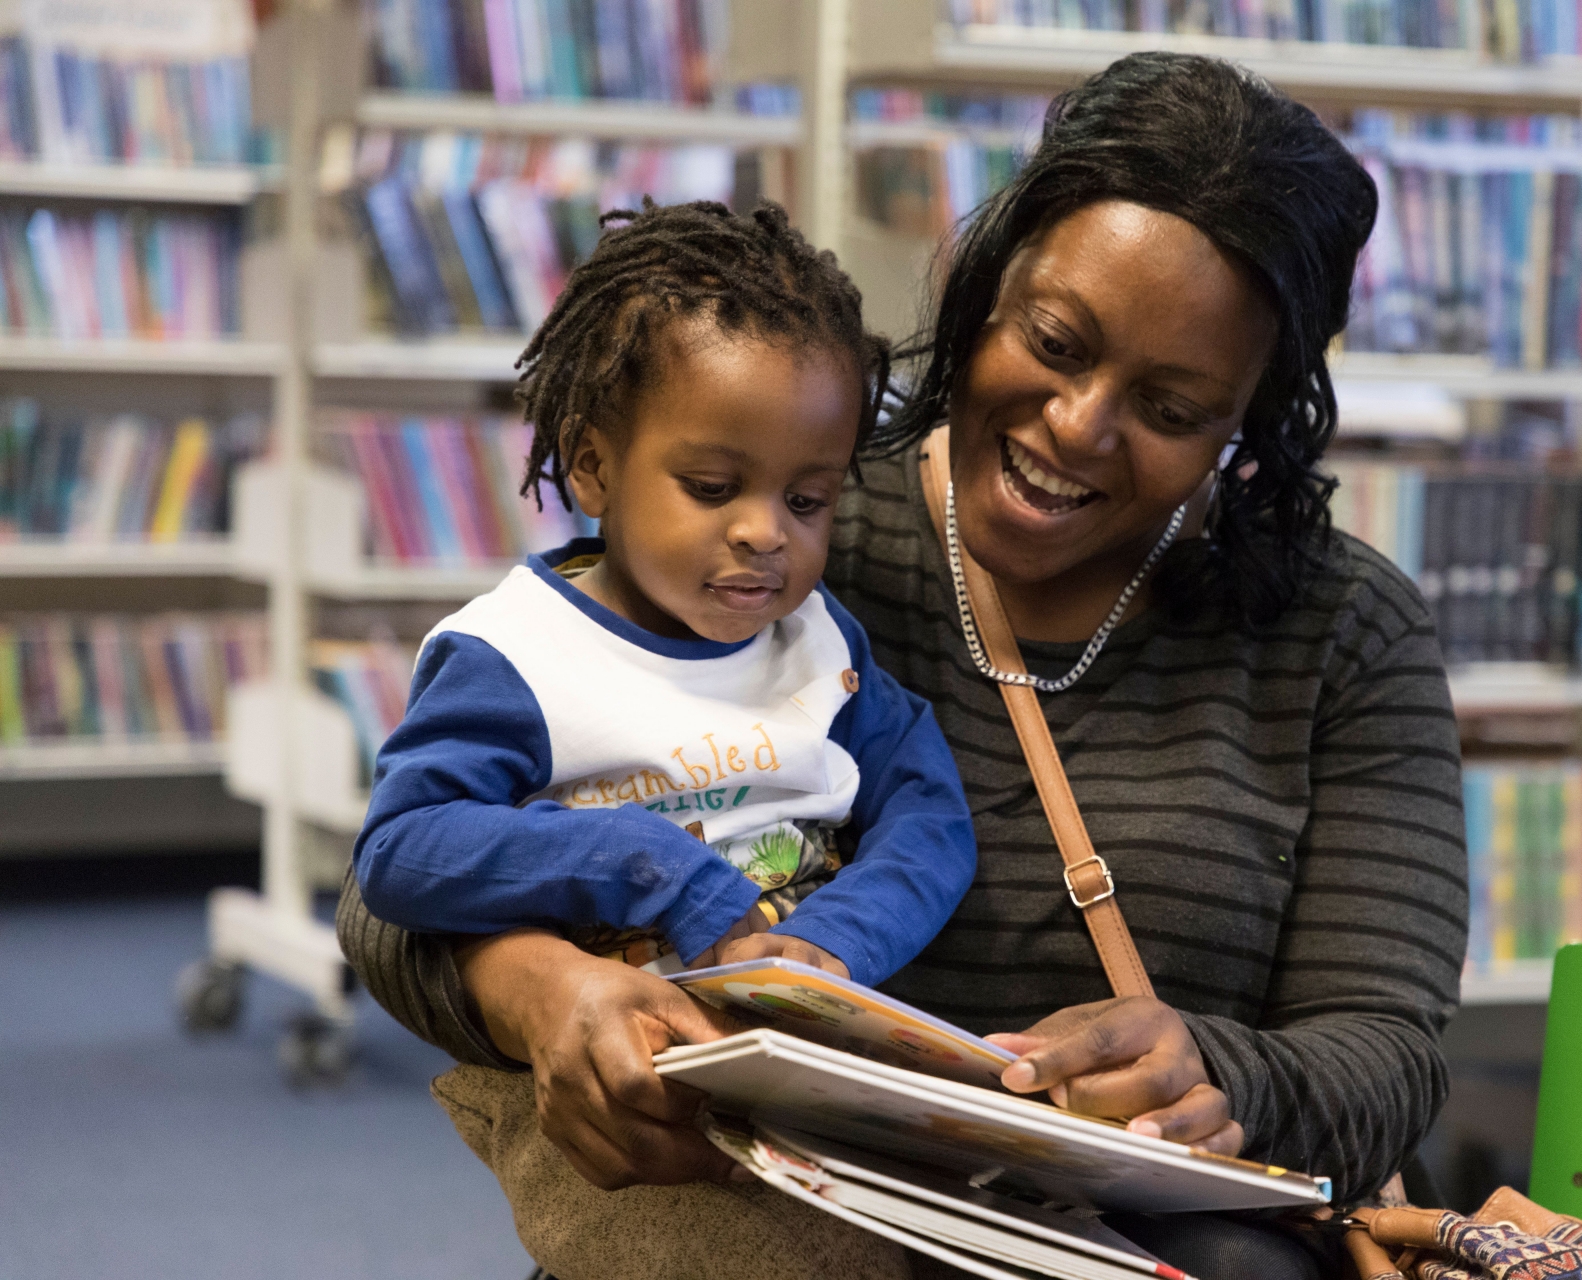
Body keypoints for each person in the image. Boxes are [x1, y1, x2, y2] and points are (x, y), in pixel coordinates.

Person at [338, 53, 1467, 1280]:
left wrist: (1217, 1068)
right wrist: (541, 987)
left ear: (1252, 418)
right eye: (1054, 340)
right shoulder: (777, 535)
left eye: (1174, 406)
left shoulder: (1344, 630)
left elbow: (1386, 1056)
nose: (1079, 424)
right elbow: (391, 890)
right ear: (985, 288)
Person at [352, 200, 977, 993]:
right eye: (713, 487)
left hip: (801, 1046)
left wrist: (836, 939)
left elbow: (931, 817)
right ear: (593, 468)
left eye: (809, 500)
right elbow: (402, 850)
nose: (765, 532)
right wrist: (647, 865)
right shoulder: (516, 655)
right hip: (606, 1063)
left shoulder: (821, 641)